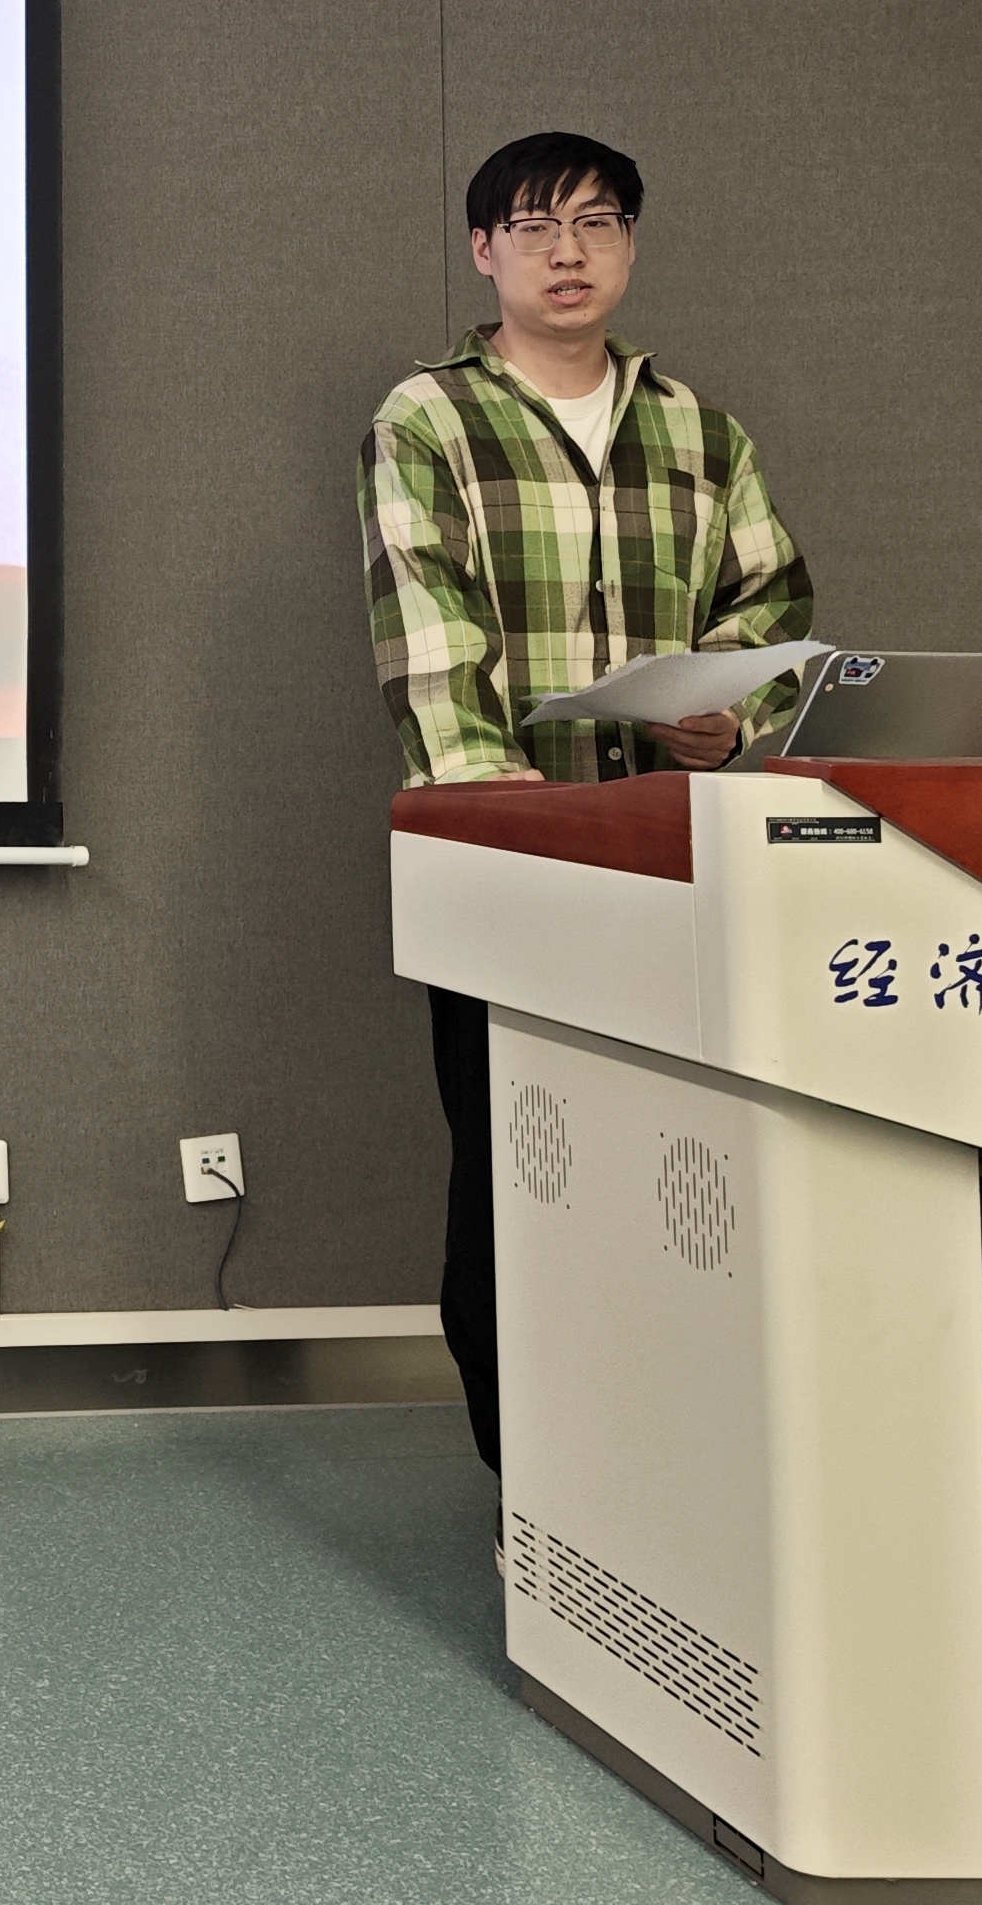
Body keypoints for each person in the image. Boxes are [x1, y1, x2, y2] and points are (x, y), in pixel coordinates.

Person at [360, 131, 812, 1476]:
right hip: (507, 857)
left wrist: (731, 722)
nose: (569, 252)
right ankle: (530, 1490)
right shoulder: (429, 419)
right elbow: (426, 632)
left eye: (598, 223)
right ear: (483, 251)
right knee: (516, 1171)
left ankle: (659, 1473)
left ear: (630, 246)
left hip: (676, 854)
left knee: (676, 1163)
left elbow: (771, 610)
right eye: (535, 226)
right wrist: (495, 804)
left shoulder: (701, 431)